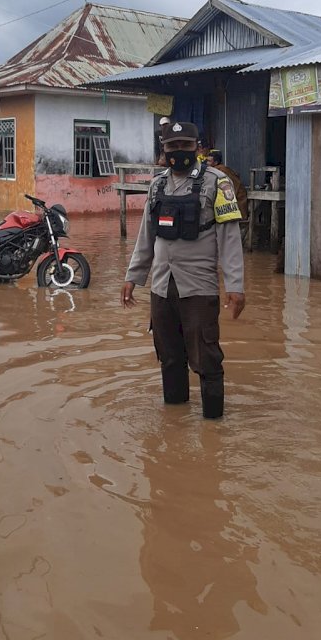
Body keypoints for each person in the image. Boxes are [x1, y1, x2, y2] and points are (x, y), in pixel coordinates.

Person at [121, 121, 246, 419]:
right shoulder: (157, 185)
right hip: (161, 288)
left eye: (185, 146)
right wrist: (132, 277)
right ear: (164, 150)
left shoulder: (219, 183)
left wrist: (235, 285)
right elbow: (146, 235)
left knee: (207, 358)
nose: (179, 152)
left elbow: (229, 238)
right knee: (169, 357)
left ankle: (213, 428)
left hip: (199, 287)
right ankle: (174, 421)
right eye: (172, 147)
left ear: (197, 147)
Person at [207, 149, 248, 221]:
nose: (207, 163)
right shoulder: (215, 170)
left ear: (216, 162)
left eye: (209, 161)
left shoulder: (221, 170)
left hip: (236, 197)